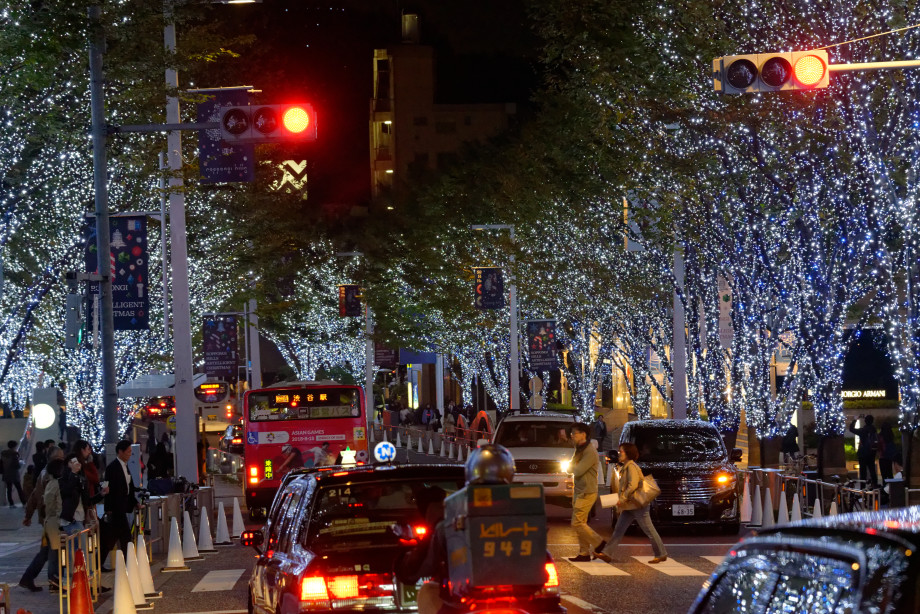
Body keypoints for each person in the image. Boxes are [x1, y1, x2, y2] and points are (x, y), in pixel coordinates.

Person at [395, 444, 516, 614]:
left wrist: (405, 564)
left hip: (463, 606)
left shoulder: (449, 524)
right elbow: (543, 570)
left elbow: (417, 568)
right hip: (517, 604)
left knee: (427, 592)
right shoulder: (525, 517)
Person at [596, 442, 668, 564]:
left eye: (621, 451)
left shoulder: (631, 467)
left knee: (649, 530)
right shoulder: (627, 466)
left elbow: (632, 485)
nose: (619, 454)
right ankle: (606, 553)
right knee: (619, 529)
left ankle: (661, 554)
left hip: (637, 504)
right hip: (631, 504)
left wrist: (622, 499)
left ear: (628, 453)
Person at [18, 452, 64, 592]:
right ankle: (53, 580)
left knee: (46, 552)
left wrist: (28, 515)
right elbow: (38, 496)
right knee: (54, 551)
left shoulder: (44, 475)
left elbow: (34, 495)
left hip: (46, 521)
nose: (62, 460)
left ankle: (28, 578)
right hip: (50, 521)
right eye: (59, 458)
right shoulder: (50, 478)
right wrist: (29, 515)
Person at [566, 423, 605, 562]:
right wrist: (571, 467)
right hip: (580, 490)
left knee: (576, 523)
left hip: (587, 491)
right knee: (581, 522)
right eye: (571, 434)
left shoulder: (589, 451)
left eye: (575, 433)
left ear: (583, 434)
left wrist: (571, 467)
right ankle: (584, 553)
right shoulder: (579, 449)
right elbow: (570, 467)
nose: (572, 436)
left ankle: (599, 542)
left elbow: (576, 470)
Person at [100, 440, 139, 567]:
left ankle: (98, 564)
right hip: (116, 509)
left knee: (111, 540)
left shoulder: (124, 466)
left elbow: (129, 488)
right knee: (125, 538)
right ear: (120, 452)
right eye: (128, 452)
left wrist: (134, 502)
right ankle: (130, 564)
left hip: (121, 508)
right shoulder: (112, 468)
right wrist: (109, 509)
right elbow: (109, 491)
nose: (129, 454)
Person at [849, 414, 879, 488]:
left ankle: (862, 487)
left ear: (865, 421)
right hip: (872, 453)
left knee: (863, 471)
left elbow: (851, 429)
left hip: (863, 453)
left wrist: (855, 419)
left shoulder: (863, 430)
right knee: (872, 470)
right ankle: (875, 485)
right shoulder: (874, 430)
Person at [2, 440, 25, 508]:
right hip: (14, 474)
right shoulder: (14, 454)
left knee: (9, 489)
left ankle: (11, 503)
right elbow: (16, 465)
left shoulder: (3, 454)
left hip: (6, 473)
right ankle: (23, 502)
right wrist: (20, 463)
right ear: (14, 446)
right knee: (19, 488)